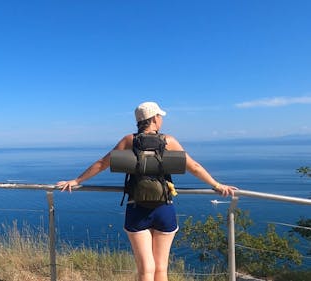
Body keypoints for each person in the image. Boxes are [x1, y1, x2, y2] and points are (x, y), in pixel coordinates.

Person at [57, 101, 237, 281]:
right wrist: (217, 185)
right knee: (161, 269)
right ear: (155, 119)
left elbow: (102, 163)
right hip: (164, 208)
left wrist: (77, 180)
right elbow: (195, 167)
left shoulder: (129, 140)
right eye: (160, 117)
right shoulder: (169, 141)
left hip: (137, 208)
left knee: (145, 269)